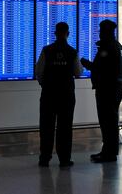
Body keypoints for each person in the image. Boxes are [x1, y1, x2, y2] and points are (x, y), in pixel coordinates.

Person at [36, 22, 82, 167]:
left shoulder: (46, 50)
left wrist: (45, 84)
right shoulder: (72, 52)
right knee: (65, 127)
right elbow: (78, 72)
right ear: (68, 33)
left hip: (48, 94)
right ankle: (64, 159)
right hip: (66, 95)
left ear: (55, 33)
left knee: (46, 126)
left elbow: (39, 72)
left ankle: (45, 158)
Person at [80, 20, 122, 163]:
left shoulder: (109, 47)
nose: (99, 33)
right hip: (114, 88)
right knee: (110, 121)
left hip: (107, 89)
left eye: (101, 31)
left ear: (106, 32)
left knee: (107, 122)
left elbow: (102, 68)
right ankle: (108, 151)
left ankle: (109, 153)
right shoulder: (118, 46)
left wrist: (85, 63)